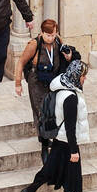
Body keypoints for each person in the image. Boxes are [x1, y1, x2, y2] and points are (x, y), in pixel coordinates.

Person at [20, 58, 97, 192]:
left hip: (60, 139)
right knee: (73, 173)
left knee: (50, 169)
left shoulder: (63, 88)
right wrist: (74, 150)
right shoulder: (70, 97)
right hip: (66, 141)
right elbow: (70, 126)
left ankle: (30, 190)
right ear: (76, 76)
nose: (85, 78)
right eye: (83, 75)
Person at [14, 20, 72, 159]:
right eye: (48, 35)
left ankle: (46, 136)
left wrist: (68, 56)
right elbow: (21, 62)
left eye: (53, 35)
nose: (50, 38)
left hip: (52, 79)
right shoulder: (34, 44)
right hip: (37, 82)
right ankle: (44, 146)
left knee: (53, 110)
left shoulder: (57, 41)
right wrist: (17, 83)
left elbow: (67, 57)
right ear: (41, 32)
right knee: (41, 112)